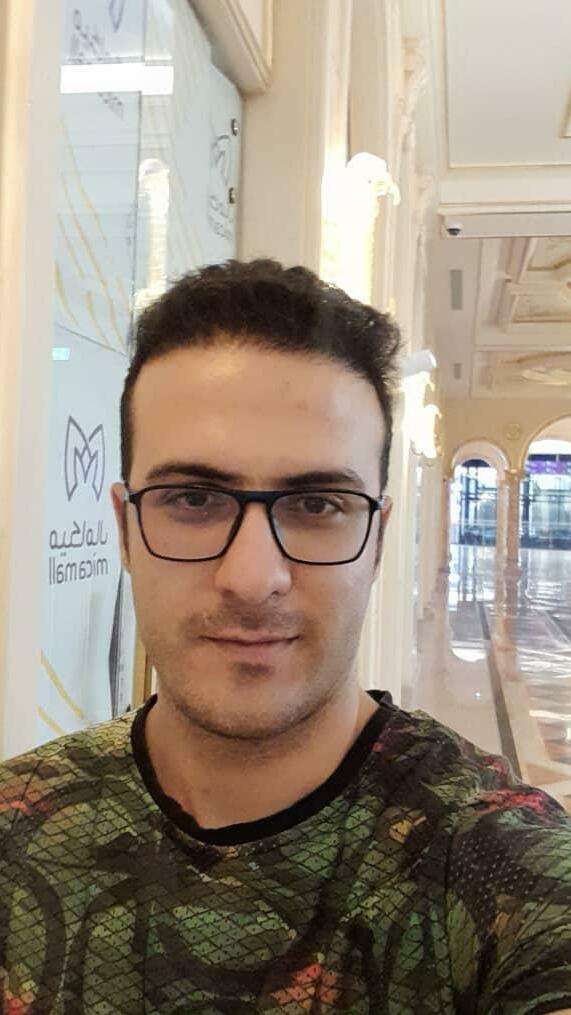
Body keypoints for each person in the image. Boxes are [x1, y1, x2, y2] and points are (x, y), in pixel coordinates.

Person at [1, 259, 570, 1014]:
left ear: (377, 540)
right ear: (125, 529)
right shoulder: (18, 822)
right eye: (193, 499)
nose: (251, 577)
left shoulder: (499, 864)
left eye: (316, 504)